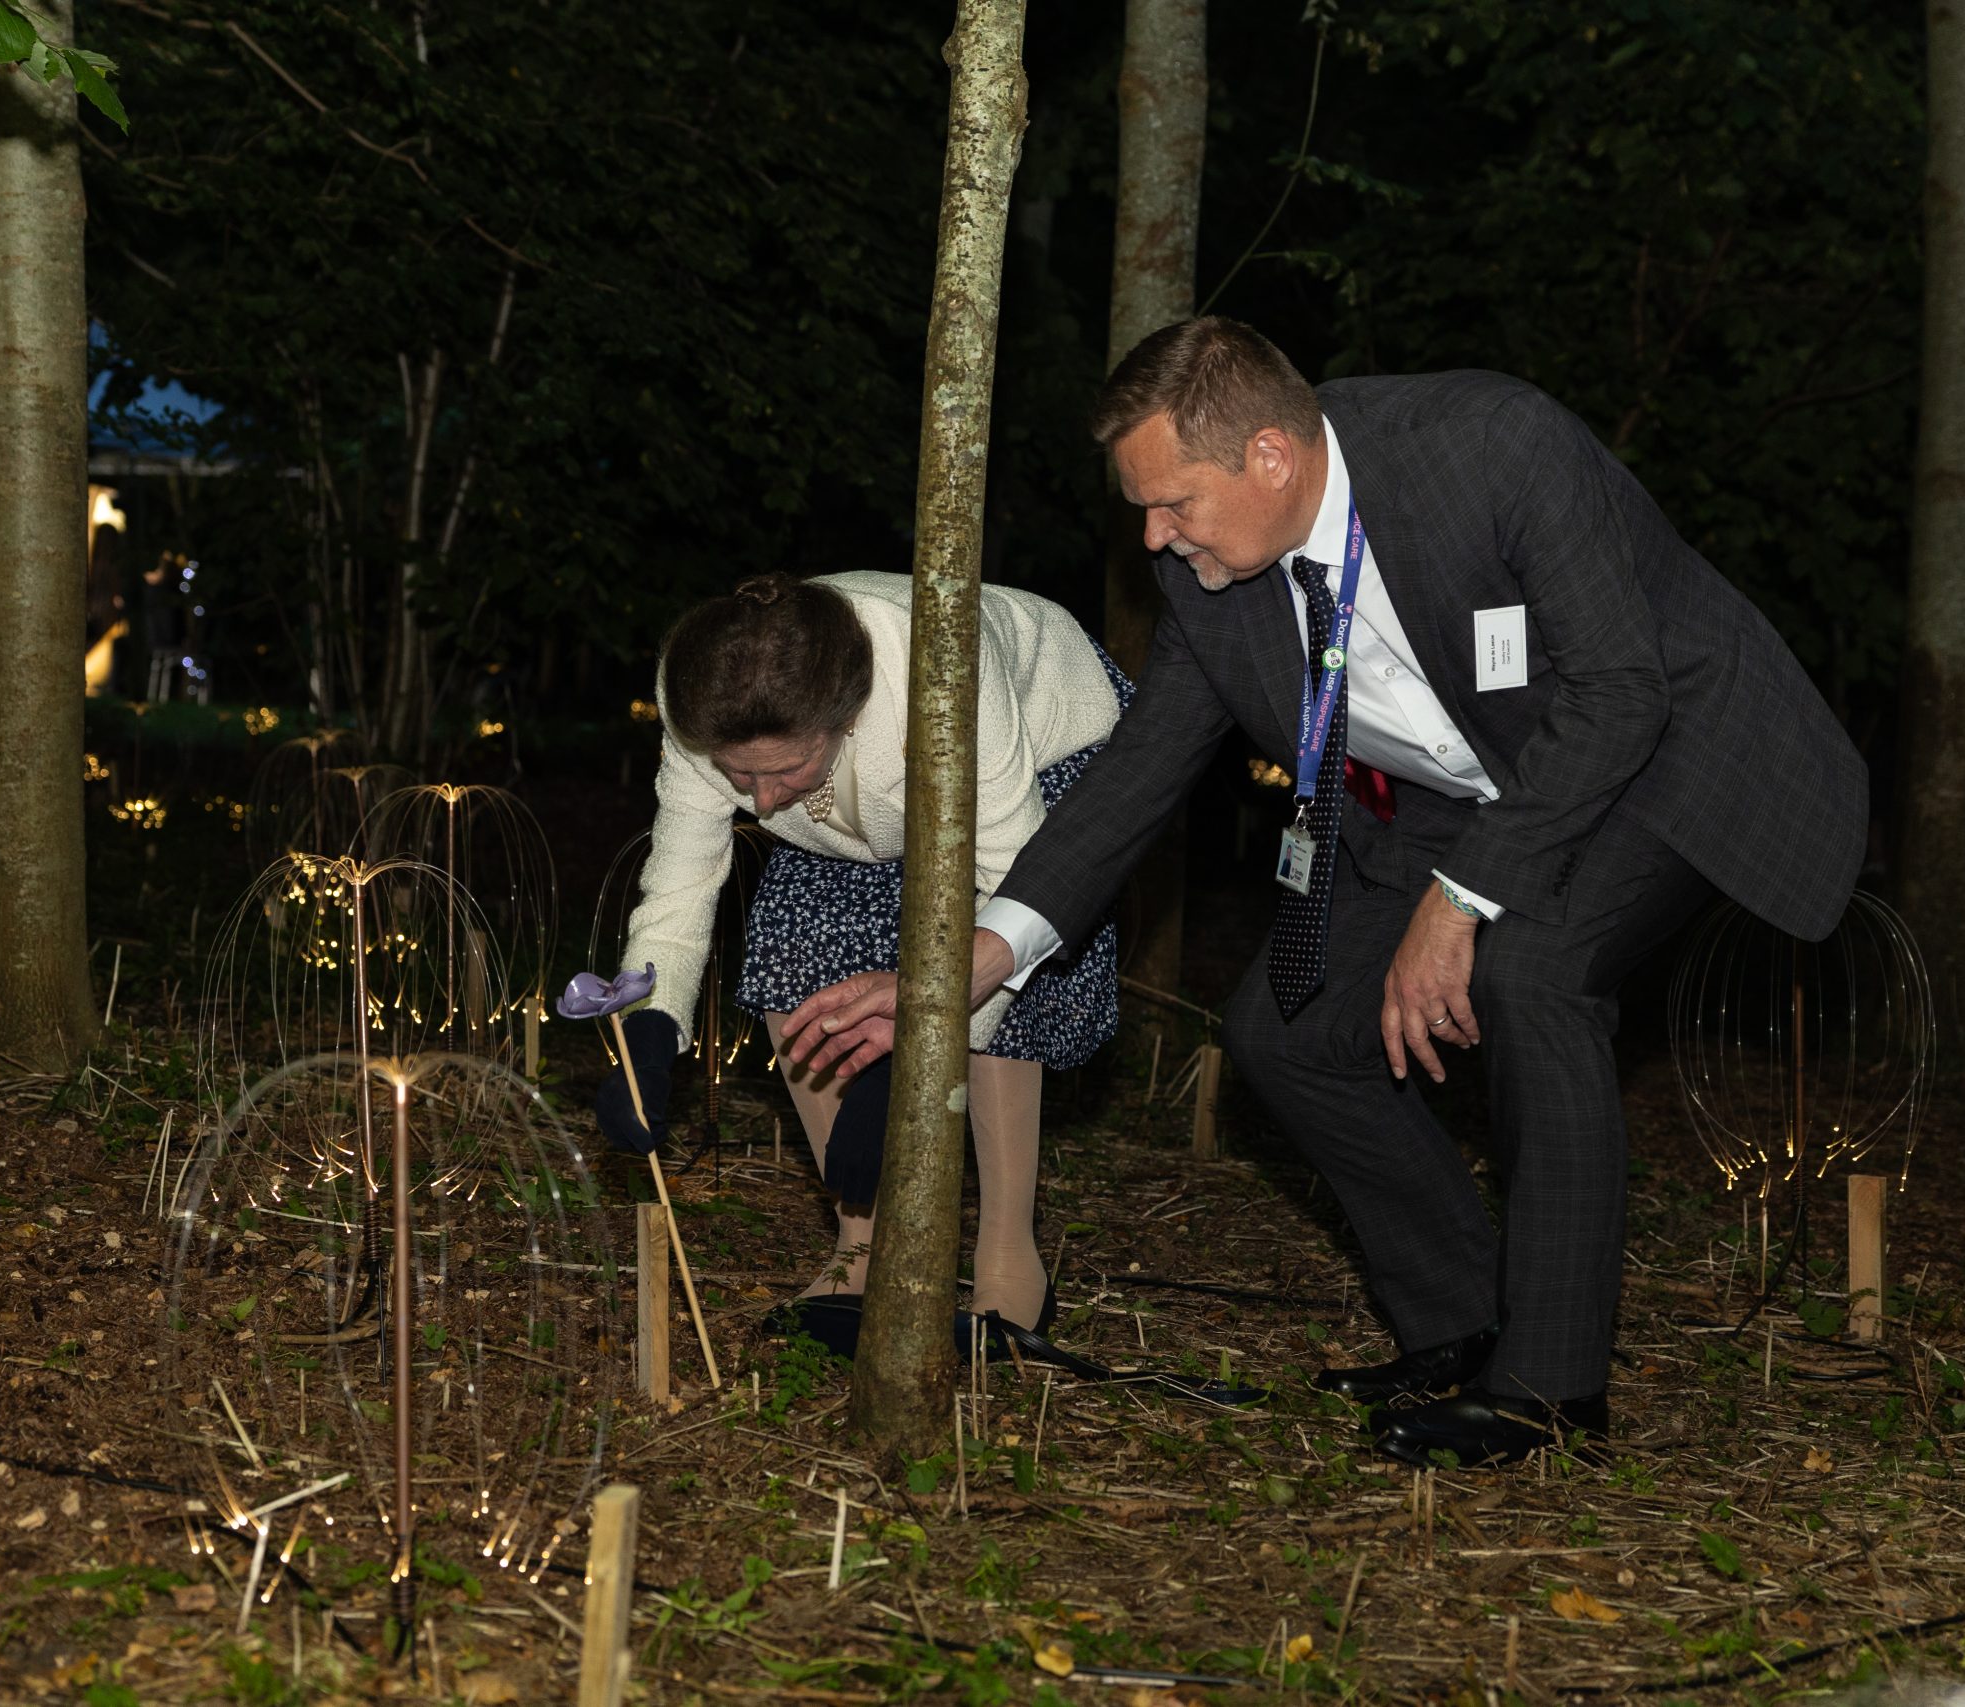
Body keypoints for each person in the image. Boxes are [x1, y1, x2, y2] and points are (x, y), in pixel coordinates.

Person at [783, 318, 1866, 1463]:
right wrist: (972, 961)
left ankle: (1549, 1391)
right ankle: (1464, 1326)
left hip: (1667, 749)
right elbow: (1138, 776)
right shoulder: (1208, 572)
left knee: (1534, 974)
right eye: (1141, 508)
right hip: (1464, 797)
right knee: (1283, 1029)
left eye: (1172, 503)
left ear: (1268, 456)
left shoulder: (1489, 445)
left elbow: (1616, 691)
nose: (1151, 536)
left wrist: (1457, 903)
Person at [601, 571, 1130, 1353]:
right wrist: (647, 1026)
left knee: (988, 978)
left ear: (844, 718)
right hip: (854, 808)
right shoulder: (706, 698)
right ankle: (862, 1244)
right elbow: (680, 880)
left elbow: (1008, 898)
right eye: (741, 777)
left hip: (1037, 741)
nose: (764, 801)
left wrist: (910, 1053)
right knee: (791, 946)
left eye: (781, 769)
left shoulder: (943, 679)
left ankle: (1009, 1252)